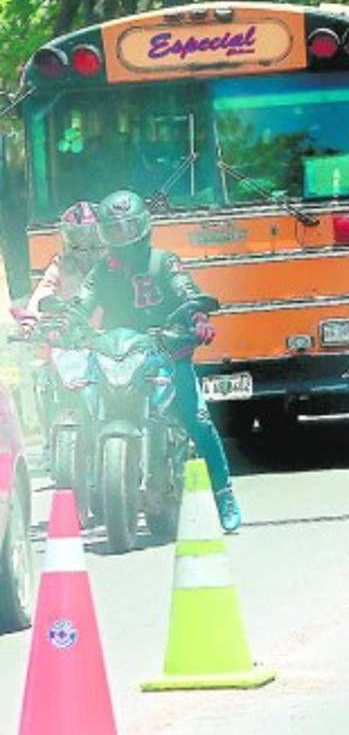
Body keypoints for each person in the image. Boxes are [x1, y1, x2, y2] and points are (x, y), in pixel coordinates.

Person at [69, 190, 241, 532]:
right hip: (120, 356)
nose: (122, 238)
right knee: (84, 408)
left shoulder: (164, 261)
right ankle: (93, 486)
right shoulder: (102, 271)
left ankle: (224, 494)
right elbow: (81, 303)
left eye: (128, 228)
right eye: (113, 230)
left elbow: (187, 292)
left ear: (144, 227)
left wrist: (198, 319)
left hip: (168, 352)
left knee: (197, 420)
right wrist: (65, 323)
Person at [21, 202, 102, 332]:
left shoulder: (111, 263)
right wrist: (29, 323)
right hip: (69, 332)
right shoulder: (62, 264)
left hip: (109, 332)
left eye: (91, 236)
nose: (84, 243)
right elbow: (43, 290)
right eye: (78, 237)